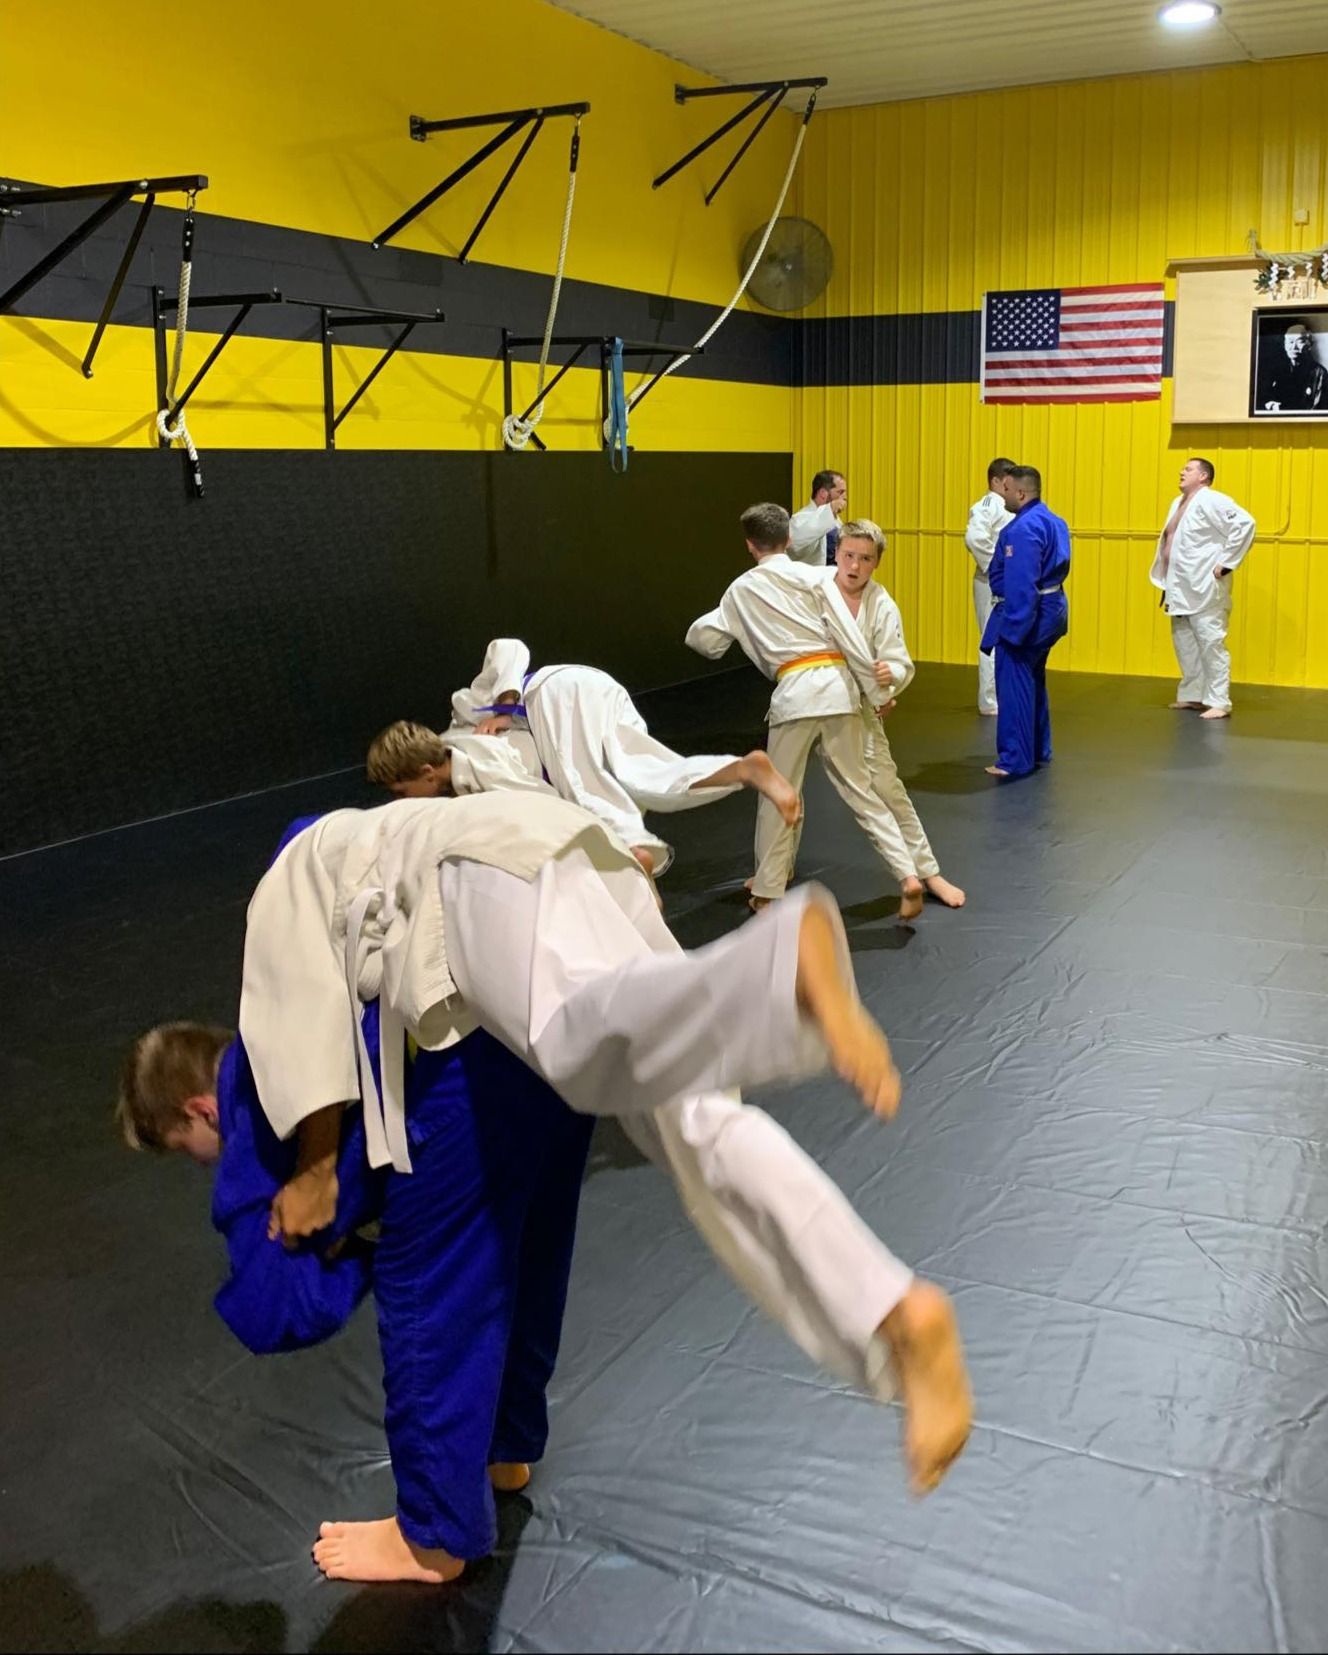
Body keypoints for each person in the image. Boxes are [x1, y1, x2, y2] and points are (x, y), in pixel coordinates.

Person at [232, 790, 971, 1580]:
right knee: (699, 1126)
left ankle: (777, 964)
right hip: (584, 859)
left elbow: (301, 1021)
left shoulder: (291, 877)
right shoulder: (388, 834)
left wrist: (314, 1175)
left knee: (579, 1042)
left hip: (490, 889)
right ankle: (894, 1308)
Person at [117, 1004, 594, 1587]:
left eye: (191, 1148)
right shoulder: (288, 1024)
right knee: (519, 1251)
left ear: (202, 1110)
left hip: (449, 1076)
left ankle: (435, 1537)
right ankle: (504, 1449)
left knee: (426, 1287)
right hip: (538, 1030)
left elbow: (275, 1312)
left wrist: (365, 1258)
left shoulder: (250, 1102)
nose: (206, 1163)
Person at [686, 503, 932, 920]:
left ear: (750, 545)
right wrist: (874, 690)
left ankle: (768, 888)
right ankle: (906, 874)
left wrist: (744, 626)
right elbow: (847, 635)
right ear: (790, 540)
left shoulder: (740, 591)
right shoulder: (818, 577)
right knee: (864, 792)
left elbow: (703, 641)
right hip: (839, 689)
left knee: (779, 791)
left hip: (796, 691)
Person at [423, 639, 801, 877]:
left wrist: (503, 705)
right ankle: (743, 768)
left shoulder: (463, 729)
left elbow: (508, 646)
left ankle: (635, 854)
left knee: (584, 786)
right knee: (639, 775)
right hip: (596, 690)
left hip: (555, 693)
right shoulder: (472, 754)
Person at [832, 521, 965, 909]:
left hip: (857, 710)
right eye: (848, 556)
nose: (854, 566)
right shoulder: (813, 591)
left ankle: (927, 872)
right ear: (837, 554)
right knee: (782, 791)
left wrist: (890, 679)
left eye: (865, 559)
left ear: (877, 563)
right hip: (806, 707)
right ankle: (772, 875)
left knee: (890, 792)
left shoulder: (882, 604)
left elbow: (899, 660)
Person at [980, 466, 1071, 779]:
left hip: (1029, 614)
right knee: (1033, 679)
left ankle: (1014, 759)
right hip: (1053, 607)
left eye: (1005, 489)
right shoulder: (1055, 521)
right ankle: (1037, 750)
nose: (1001, 495)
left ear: (1020, 493)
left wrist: (1015, 630)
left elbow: (1022, 584)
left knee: (1014, 682)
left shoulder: (1022, 529)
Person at [1148, 458, 1256, 720]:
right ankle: (1192, 695)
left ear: (1204, 476)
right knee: (1185, 641)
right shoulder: (1178, 503)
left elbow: (1246, 524)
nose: (1181, 472)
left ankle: (1219, 701)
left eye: (1188, 469)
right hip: (1180, 585)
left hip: (1204, 586)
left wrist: (1227, 563)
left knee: (1210, 642)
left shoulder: (1213, 500)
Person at [964, 459, 1017, 716]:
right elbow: (974, 537)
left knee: (1007, 638)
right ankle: (988, 700)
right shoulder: (987, 505)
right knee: (991, 638)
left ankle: (1000, 695)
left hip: (1007, 580)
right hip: (990, 580)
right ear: (995, 481)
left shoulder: (1007, 506)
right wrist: (993, 566)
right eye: (1008, 481)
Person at [1257, 319, 1328, 414]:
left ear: (1310, 344)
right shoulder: (1276, 370)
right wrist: (1271, 405)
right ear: (1285, 345)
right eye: (1290, 342)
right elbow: (1262, 399)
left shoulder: (1320, 373)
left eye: (1299, 342)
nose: (1293, 347)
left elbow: (1318, 409)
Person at [788, 469, 847, 566]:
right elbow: (794, 545)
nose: (844, 497)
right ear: (823, 493)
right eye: (840, 492)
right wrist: (830, 509)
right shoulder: (800, 518)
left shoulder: (836, 520)